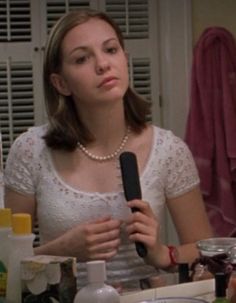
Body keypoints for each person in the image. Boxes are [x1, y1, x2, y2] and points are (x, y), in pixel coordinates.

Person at [4, 9, 212, 290]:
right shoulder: (30, 151)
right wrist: (61, 251)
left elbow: (208, 253)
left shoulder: (170, 151)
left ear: (125, 60)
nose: (103, 64)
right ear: (61, 83)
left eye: (111, 49)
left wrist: (163, 254)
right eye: (82, 58)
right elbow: (4, 268)